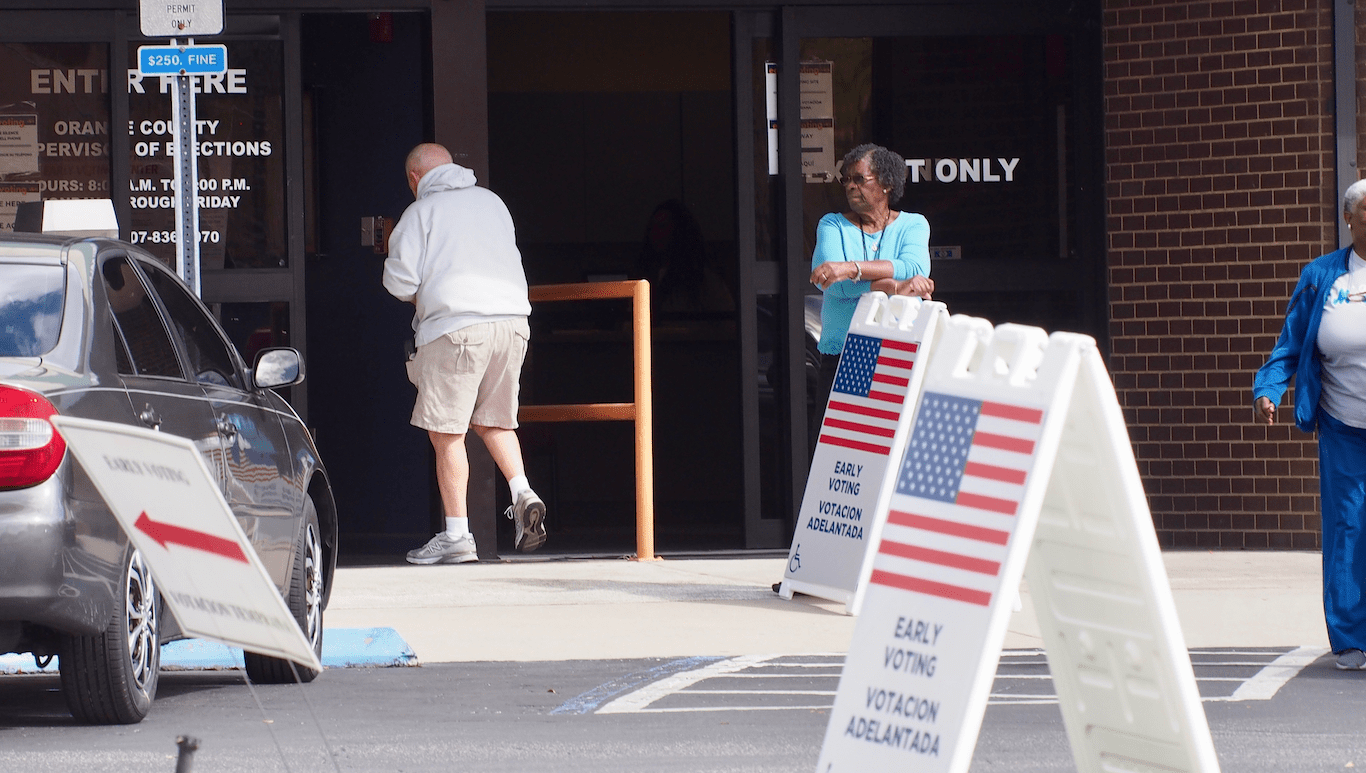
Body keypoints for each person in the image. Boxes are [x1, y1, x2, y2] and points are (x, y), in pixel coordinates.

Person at [383, 143, 546, 563]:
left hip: (456, 328)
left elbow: (399, 283)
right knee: (495, 422)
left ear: (414, 179)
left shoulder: (419, 214)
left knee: (447, 432)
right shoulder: (492, 202)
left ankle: (458, 534)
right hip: (512, 325)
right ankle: (522, 491)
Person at [1253, 177, 1366, 670]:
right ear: (1349, 219)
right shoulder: (1323, 277)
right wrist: (1268, 389)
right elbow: (1291, 344)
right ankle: (1349, 639)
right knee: (1347, 528)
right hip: (1344, 428)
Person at [808, 143, 934, 420]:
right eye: (846, 180)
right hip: (844, 356)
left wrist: (851, 268)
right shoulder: (832, 225)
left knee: (890, 447)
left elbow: (913, 267)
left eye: (859, 179)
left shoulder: (913, 225)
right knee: (837, 449)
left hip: (896, 354)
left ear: (887, 184)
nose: (850, 186)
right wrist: (890, 287)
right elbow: (833, 285)